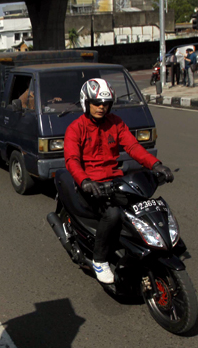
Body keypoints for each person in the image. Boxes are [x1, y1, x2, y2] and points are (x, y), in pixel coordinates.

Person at [64, 78, 174, 284]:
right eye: (96, 103)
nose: (101, 107)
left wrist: (156, 165)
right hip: (91, 186)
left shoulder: (116, 123)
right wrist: (85, 180)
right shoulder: (75, 128)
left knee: (141, 206)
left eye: (105, 103)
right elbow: (72, 160)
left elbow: (134, 148)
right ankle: (100, 260)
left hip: (114, 182)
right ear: (86, 102)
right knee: (113, 214)